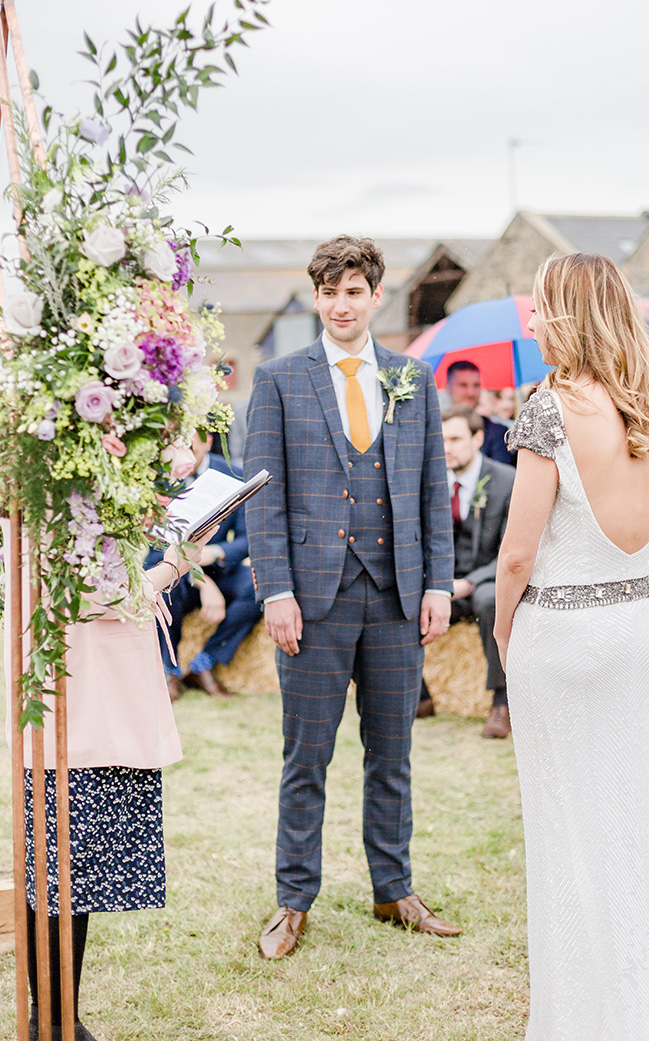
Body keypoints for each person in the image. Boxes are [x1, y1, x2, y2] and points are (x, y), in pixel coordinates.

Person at [244, 234, 460, 959]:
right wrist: (274, 588)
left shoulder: (412, 378)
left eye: (355, 291)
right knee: (306, 755)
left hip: (397, 596)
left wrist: (436, 582)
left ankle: (392, 888)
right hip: (312, 597)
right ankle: (293, 899)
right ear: (316, 297)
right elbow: (262, 500)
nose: (342, 304)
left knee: (391, 752)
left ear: (374, 295)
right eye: (330, 292)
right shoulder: (277, 379)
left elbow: (435, 490)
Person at [494, 252, 649, 1039]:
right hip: (635, 628)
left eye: (540, 307)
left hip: (562, 635)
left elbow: (515, 554)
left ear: (571, 312)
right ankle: (635, 1014)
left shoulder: (549, 407)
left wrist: (505, 635)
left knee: (566, 832)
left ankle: (575, 1020)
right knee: (626, 825)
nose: (532, 322)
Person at [4, 524, 216, 1041]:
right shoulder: (60, 489)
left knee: (70, 866)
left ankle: (57, 1018)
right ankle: (52, 1023)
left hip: (89, 688)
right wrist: (175, 562)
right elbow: (91, 591)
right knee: (62, 867)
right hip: (76, 691)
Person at [419, 406, 514, 736]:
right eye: (441, 440)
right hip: (443, 582)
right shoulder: (428, 482)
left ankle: (503, 703)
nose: (447, 448)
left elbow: (510, 550)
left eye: (456, 439)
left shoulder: (507, 480)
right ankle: (418, 697)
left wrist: (470, 583)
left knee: (491, 602)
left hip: (488, 579)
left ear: (477, 439)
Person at [146, 431, 262, 700]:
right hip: (174, 568)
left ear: (208, 441)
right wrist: (198, 576)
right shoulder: (159, 478)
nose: (183, 452)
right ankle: (168, 670)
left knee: (257, 586)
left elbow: (248, 539)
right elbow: (156, 549)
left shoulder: (234, 475)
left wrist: (214, 551)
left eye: (190, 445)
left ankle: (204, 664)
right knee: (164, 589)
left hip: (220, 567)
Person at [445, 360, 515, 464]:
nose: (470, 392)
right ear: (448, 387)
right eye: (463, 385)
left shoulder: (497, 432)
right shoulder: (436, 429)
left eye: (476, 385)